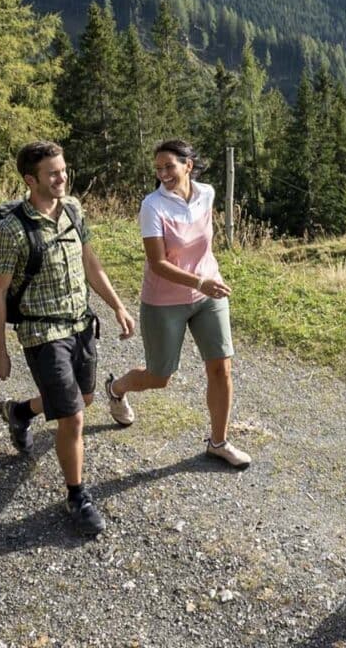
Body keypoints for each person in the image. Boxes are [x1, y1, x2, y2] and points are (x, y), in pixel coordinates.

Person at [0, 140, 136, 537]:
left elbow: (90, 262)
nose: (62, 177)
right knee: (73, 415)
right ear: (30, 180)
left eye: (63, 169)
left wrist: (118, 306)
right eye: (53, 173)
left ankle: (20, 412)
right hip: (41, 332)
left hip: (80, 325)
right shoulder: (12, 229)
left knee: (82, 399)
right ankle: (77, 496)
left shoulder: (72, 209)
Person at [99, 139, 251, 469]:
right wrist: (199, 282)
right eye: (158, 168)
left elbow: (202, 242)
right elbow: (157, 263)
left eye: (169, 166)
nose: (163, 173)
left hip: (208, 296)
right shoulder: (153, 206)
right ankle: (116, 388)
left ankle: (218, 442)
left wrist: (205, 281)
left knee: (221, 367)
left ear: (188, 166)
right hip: (165, 300)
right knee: (159, 376)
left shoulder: (207, 194)